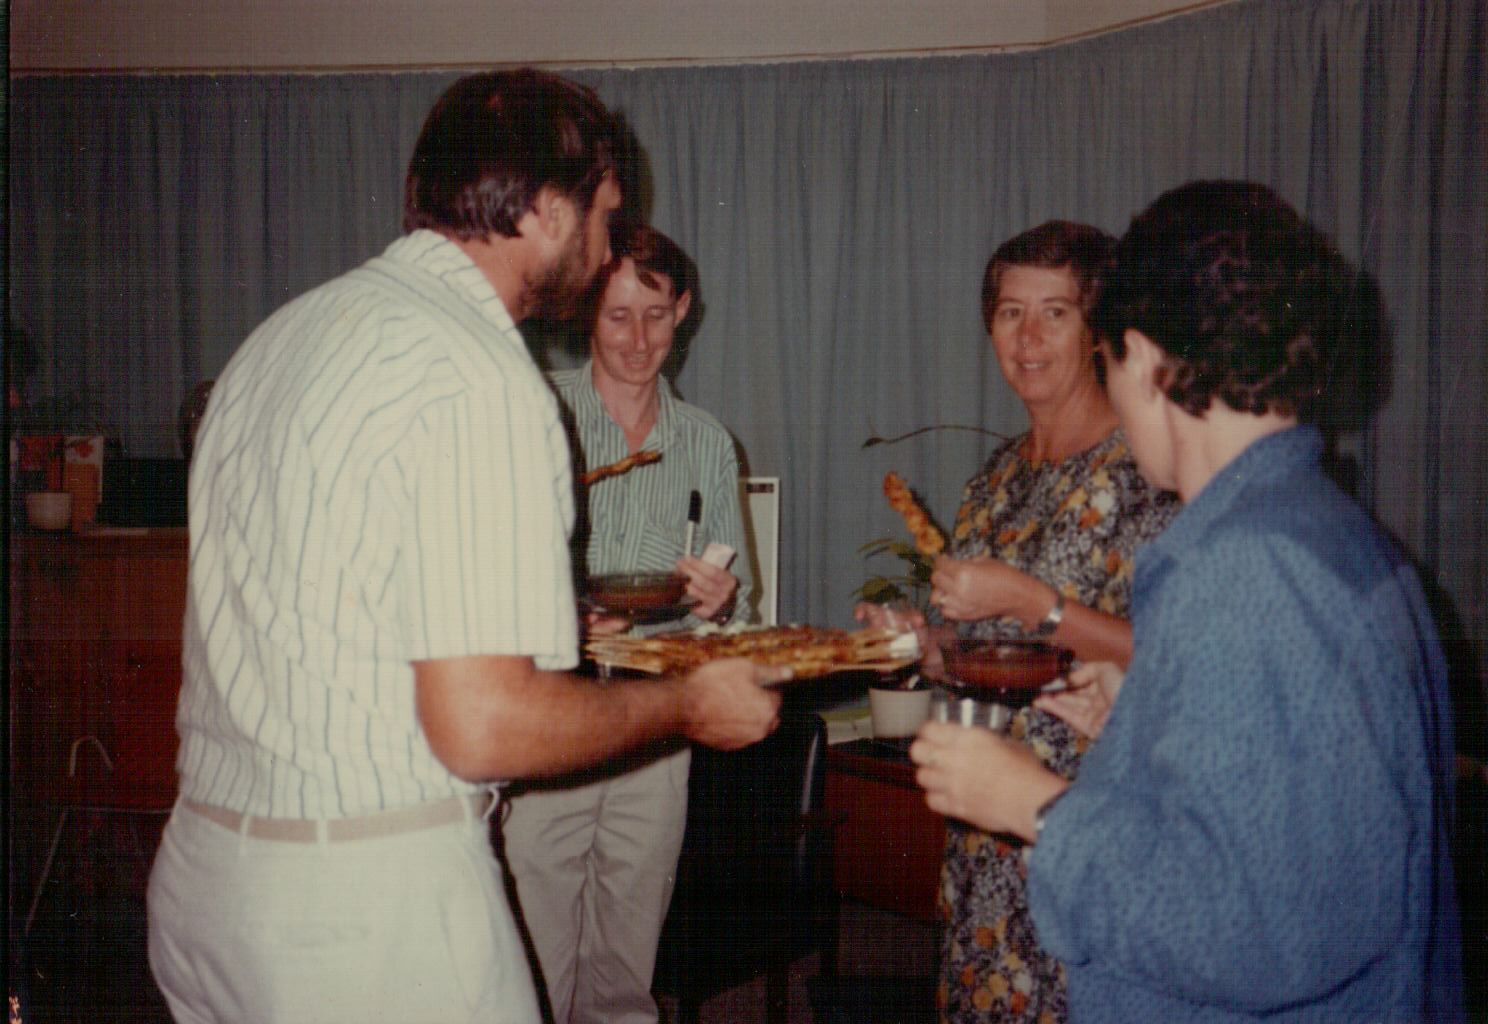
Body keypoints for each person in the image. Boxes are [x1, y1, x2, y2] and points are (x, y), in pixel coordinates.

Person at [145, 69, 784, 1024]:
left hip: (207, 882)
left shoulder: (279, 338)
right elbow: (485, 725)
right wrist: (687, 702)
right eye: (606, 216)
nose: (610, 247)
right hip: (368, 912)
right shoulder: (478, 376)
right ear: (544, 212)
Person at [910, 180, 1463, 1022]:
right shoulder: (1331, 535)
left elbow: (1260, 931)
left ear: (1139, 356)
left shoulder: (1247, 571)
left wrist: (1035, 805)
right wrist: (1141, 715)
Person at [861, 220, 1176, 1023]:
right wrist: (921, 643)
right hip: (981, 831)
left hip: (1086, 826)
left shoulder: (1148, 475)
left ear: (1097, 330)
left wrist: (1037, 603)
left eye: (1055, 313)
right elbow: (983, 655)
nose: (1028, 337)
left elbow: (1181, 663)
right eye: (1009, 313)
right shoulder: (994, 480)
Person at [501, 222, 752, 1024]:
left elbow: (735, 603)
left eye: (654, 314)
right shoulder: (539, 418)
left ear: (681, 311)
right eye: (617, 316)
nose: (638, 339)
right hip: (557, 709)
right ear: (586, 318)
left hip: (654, 718)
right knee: (535, 945)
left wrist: (721, 602)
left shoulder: (708, 443)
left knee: (625, 960)